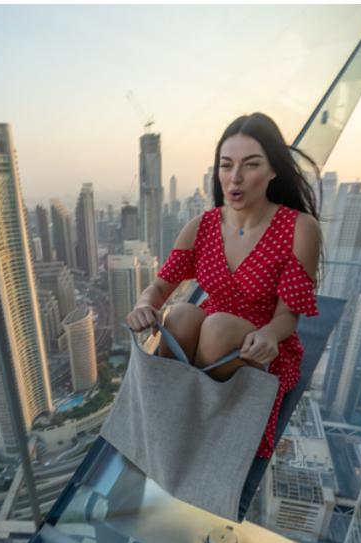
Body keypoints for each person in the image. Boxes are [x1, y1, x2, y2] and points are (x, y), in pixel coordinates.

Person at [127, 113, 322, 521]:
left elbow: (288, 316)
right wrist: (146, 303)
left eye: (250, 165)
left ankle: (194, 428)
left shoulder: (299, 228)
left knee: (214, 326)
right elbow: (160, 288)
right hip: (211, 333)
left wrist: (270, 334)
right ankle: (176, 415)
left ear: (273, 169)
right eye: (226, 165)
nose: (234, 178)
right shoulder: (201, 226)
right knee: (180, 315)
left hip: (262, 347)